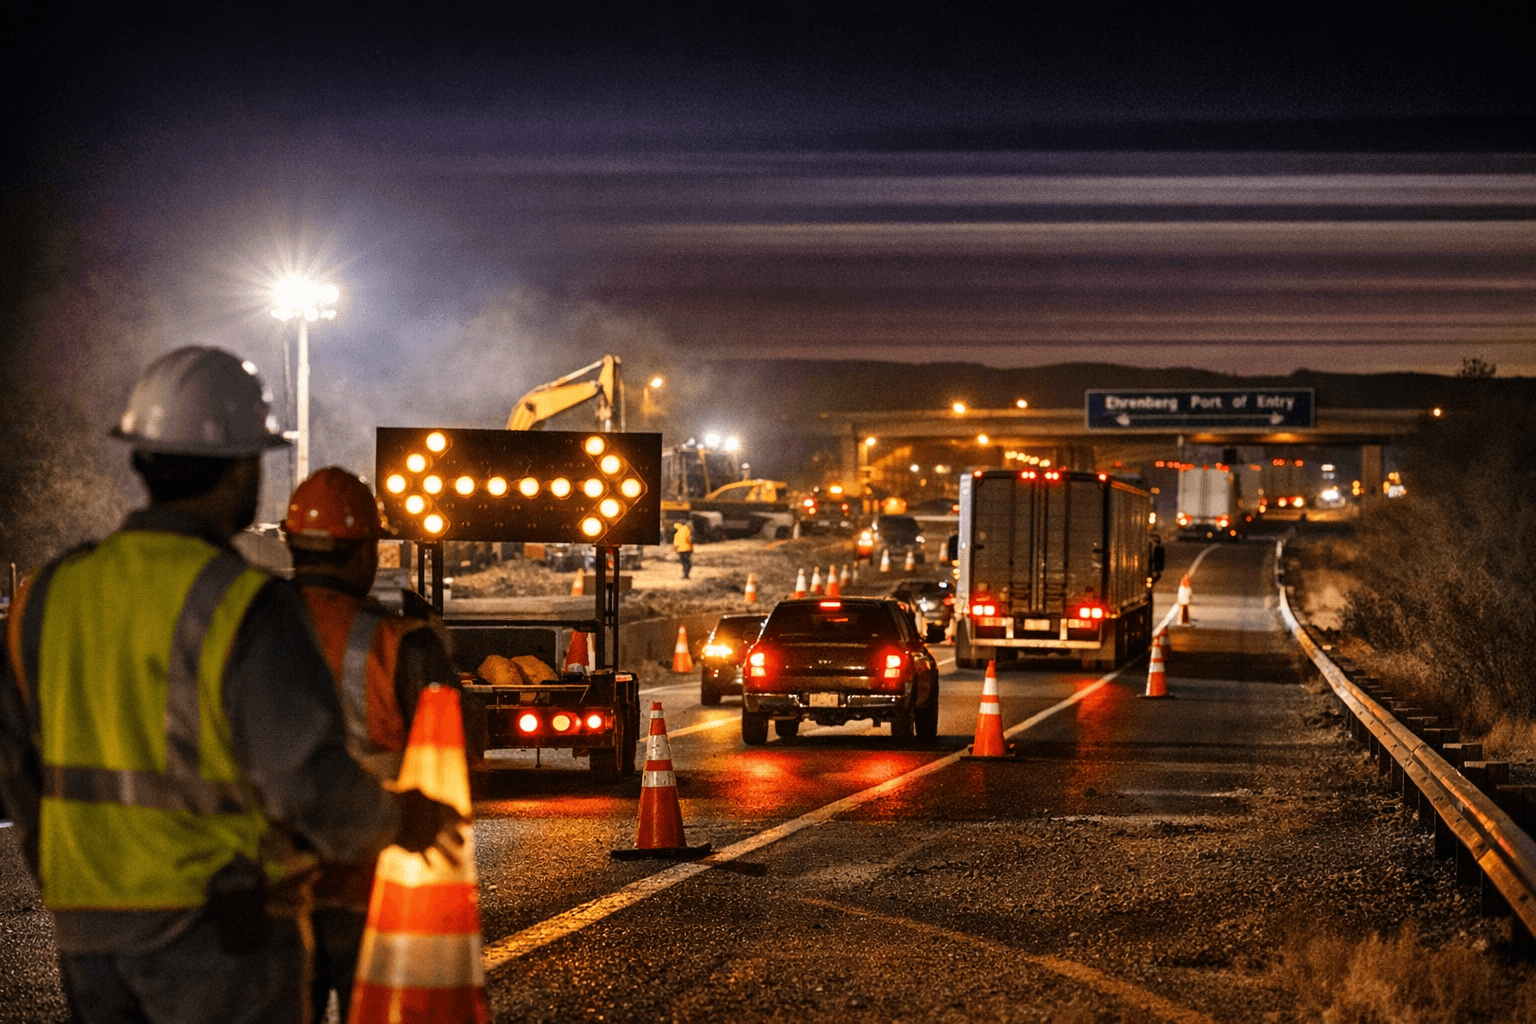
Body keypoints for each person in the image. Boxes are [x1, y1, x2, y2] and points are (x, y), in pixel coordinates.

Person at [0, 346, 462, 1024]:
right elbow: (301, 777)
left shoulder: (51, 594)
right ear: (243, 469)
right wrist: (401, 820)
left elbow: (17, 767)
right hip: (220, 935)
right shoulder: (242, 604)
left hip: (88, 936)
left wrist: (70, 888)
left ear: (142, 459)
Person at [281, 466, 460, 1024]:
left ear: (291, 544)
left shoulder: (241, 629)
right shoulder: (398, 641)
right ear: (364, 553)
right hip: (377, 891)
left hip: (279, 891)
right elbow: (460, 753)